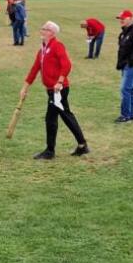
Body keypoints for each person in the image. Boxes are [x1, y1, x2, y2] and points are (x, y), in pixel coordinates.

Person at [19, 21, 90, 160]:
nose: (41, 30)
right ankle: (82, 145)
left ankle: (50, 151)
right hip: (52, 90)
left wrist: (60, 81)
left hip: (59, 90)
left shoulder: (57, 46)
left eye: (44, 29)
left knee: (51, 118)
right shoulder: (43, 50)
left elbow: (67, 65)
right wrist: (24, 88)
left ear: (52, 32)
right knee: (66, 116)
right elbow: (34, 69)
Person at [115, 9, 133, 123]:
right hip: (125, 65)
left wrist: (129, 62)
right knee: (130, 89)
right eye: (120, 19)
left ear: (131, 18)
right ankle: (132, 113)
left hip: (132, 65)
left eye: (123, 18)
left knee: (125, 89)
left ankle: (125, 115)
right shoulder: (124, 32)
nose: (121, 20)